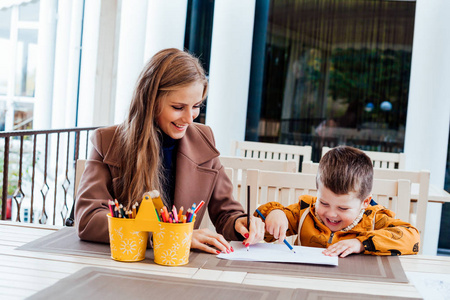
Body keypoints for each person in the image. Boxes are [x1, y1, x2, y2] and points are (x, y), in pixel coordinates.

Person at [75, 48, 264, 254]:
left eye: (196, 106)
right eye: (178, 107)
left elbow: (226, 213)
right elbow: (89, 218)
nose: (190, 118)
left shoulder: (203, 139)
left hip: (180, 267)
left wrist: (240, 222)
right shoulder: (108, 141)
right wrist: (171, 235)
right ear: (150, 101)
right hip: (124, 266)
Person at [255, 146, 420, 257]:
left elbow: (412, 237)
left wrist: (360, 243)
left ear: (365, 202)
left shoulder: (375, 219)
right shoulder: (305, 211)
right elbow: (261, 229)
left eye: (343, 208)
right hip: (305, 281)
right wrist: (275, 214)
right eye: (324, 203)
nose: (331, 214)